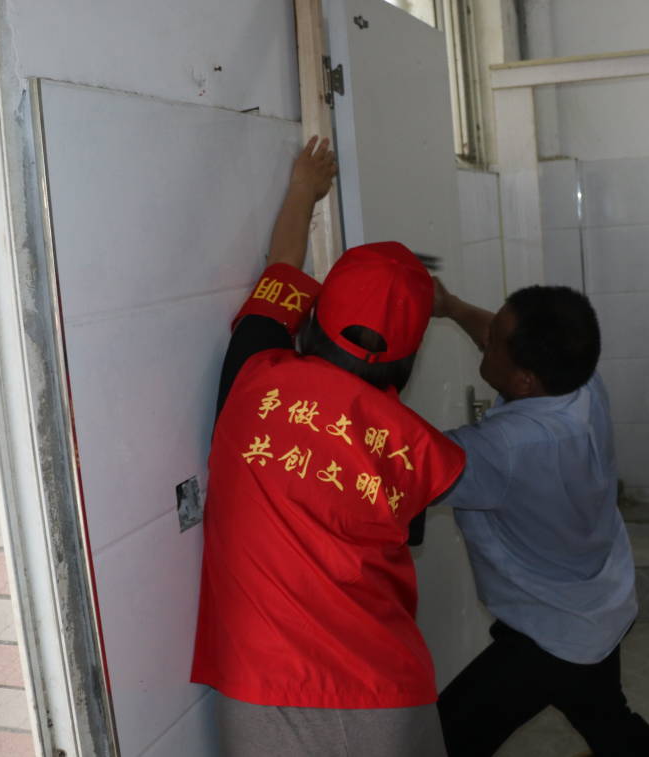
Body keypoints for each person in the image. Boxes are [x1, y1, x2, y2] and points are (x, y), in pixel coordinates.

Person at [191, 137, 465, 757]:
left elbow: (282, 268)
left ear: (312, 318)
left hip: (267, 691)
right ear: (410, 355)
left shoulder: (252, 374)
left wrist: (303, 189)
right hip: (388, 696)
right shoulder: (414, 451)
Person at [432, 281, 649, 757]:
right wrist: (452, 307)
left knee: (443, 740)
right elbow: (506, 339)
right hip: (598, 598)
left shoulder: (502, 448)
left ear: (525, 380)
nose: (485, 338)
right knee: (605, 717)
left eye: (493, 342)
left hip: (550, 630)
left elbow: (402, 455)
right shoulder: (581, 383)